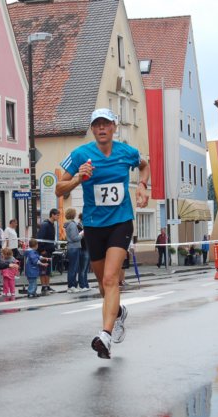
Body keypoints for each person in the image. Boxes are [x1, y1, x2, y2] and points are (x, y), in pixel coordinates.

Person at [56, 107, 150, 359]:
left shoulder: (126, 152)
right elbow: (58, 188)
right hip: (94, 226)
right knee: (102, 285)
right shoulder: (80, 154)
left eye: (105, 124)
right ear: (92, 129)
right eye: (97, 124)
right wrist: (78, 178)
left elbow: (144, 165)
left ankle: (105, 336)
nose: (101, 128)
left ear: (113, 127)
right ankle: (118, 313)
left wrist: (142, 185)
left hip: (121, 222)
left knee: (110, 279)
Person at [37, 208, 60, 295]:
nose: (58, 217)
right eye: (57, 215)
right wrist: (42, 250)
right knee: (43, 269)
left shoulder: (52, 224)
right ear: (52, 215)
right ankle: (44, 286)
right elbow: (40, 238)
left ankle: (47, 285)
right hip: (44, 251)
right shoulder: (45, 224)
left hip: (49, 250)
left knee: (48, 269)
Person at [64, 208, 83, 293]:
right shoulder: (72, 224)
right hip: (74, 247)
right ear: (73, 214)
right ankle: (71, 286)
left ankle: (72, 285)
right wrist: (82, 234)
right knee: (73, 268)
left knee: (72, 267)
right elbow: (74, 238)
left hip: (71, 247)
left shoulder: (69, 224)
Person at [77, 213, 90, 292]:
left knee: (86, 268)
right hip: (83, 248)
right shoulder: (78, 226)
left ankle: (86, 284)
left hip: (87, 248)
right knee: (83, 268)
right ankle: (82, 285)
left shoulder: (85, 226)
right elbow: (78, 237)